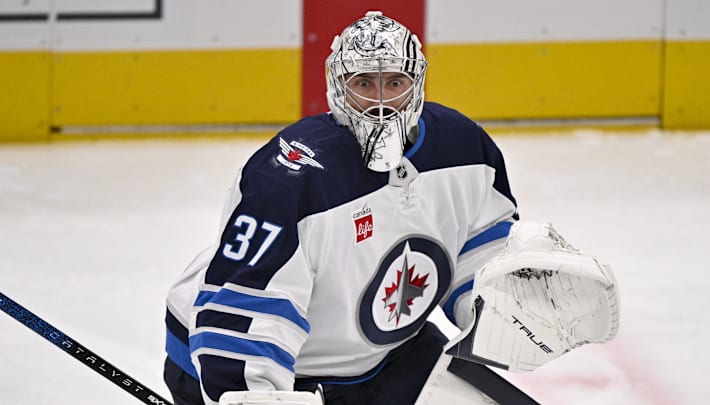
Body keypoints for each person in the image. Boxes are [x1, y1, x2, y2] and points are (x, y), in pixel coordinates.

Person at [163, 11, 619, 405]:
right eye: (364, 83)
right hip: (252, 365)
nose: (381, 101)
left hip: (387, 353)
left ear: (416, 84)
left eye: (394, 82)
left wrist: (494, 306)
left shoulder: (465, 147)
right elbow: (245, 312)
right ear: (338, 87)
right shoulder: (287, 180)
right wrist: (255, 394)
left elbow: (476, 244)